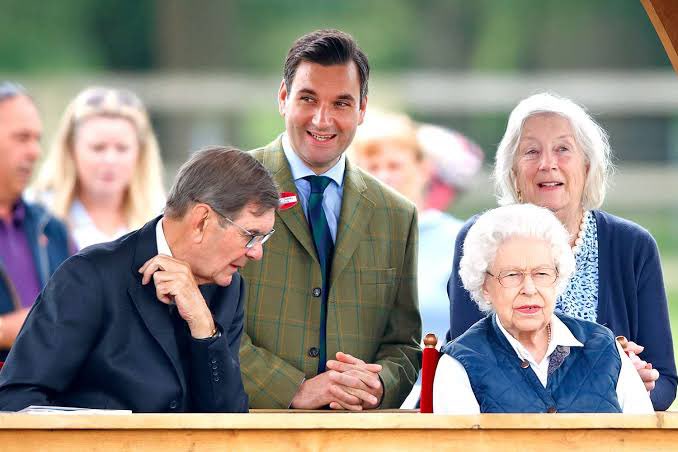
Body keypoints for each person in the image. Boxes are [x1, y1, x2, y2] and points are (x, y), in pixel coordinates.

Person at [0, 147, 277, 412]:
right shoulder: (89, 276)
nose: (258, 253)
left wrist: (204, 327)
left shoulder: (229, 288)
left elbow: (228, 421)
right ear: (202, 220)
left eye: (264, 238)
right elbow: (17, 400)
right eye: (250, 235)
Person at [448, 92, 676, 410]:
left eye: (562, 149)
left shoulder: (632, 246)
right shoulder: (480, 240)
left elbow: (665, 381)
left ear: (587, 166)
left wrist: (631, 383)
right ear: (512, 171)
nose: (547, 164)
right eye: (531, 151)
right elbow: (466, 362)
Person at [239, 29, 421, 410]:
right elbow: (203, 323)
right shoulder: (227, 187)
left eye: (341, 103)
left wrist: (378, 384)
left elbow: (404, 344)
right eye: (308, 98)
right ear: (283, 98)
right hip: (250, 428)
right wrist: (294, 389)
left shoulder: (397, 215)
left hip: (357, 435)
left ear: (362, 109)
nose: (323, 120)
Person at [435, 204, 653, 414]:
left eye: (542, 273)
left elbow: (645, 440)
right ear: (484, 286)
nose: (529, 289)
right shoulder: (459, 365)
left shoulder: (604, 347)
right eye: (512, 275)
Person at [32, 86, 165, 250]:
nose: (110, 160)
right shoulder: (38, 214)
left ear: (141, 153)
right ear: (71, 149)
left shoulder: (163, 221)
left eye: (122, 148)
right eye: (98, 148)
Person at [0, 82, 73, 361]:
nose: (35, 152)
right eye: (21, 138)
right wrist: (7, 329)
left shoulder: (52, 229)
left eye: (37, 139)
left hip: (46, 399)